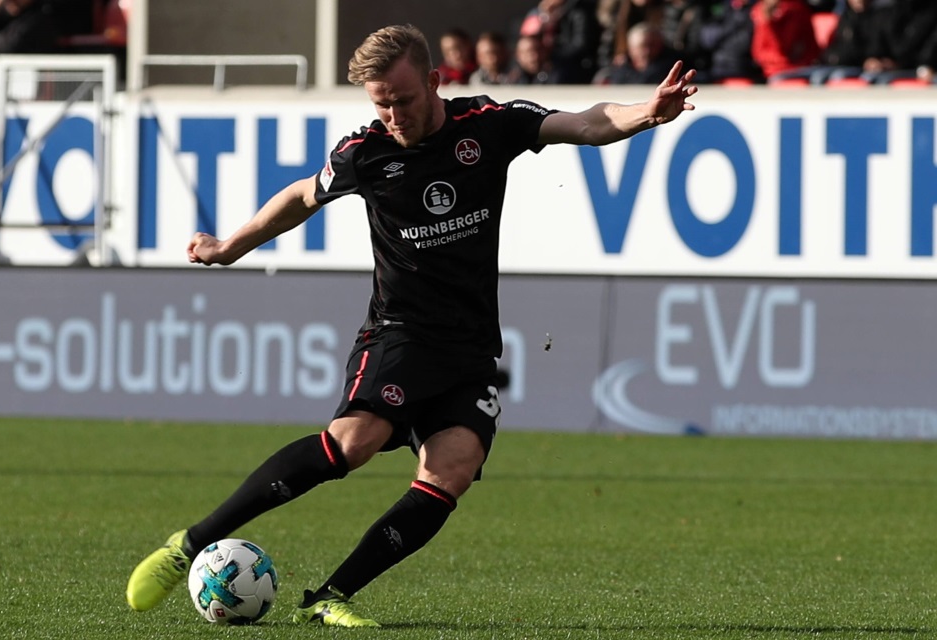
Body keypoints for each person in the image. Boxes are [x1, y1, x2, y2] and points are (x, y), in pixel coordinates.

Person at [125, 23, 697, 628]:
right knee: (353, 445)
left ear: (434, 81)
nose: (393, 113)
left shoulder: (488, 122)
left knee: (450, 471)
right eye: (381, 102)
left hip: (471, 347)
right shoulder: (365, 152)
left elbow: (584, 123)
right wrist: (230, 247)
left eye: (402, 98)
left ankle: (328, 596)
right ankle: (188, 544)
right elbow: (301, 196)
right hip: (397, 333)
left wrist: (647, 114)